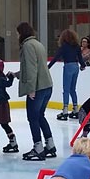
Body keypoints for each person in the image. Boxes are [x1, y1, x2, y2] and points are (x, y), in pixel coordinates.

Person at [10, 22, 56, 162]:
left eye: (17, 33)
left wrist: (31, 89)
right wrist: (17, 74)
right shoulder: (37, 44)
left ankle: (38, 148)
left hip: (38, 87)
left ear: (22, 33)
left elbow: (31, 69)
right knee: (40, 115)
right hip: (47, 85)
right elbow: (34, 67)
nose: (16, 36)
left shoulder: (27, 46)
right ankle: (50, 145)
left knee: (33, 117)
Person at [48, 29, 86, 121]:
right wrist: (83, 65)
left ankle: (65, 110)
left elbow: (56, 57)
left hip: (68, 66)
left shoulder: (64, 47)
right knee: (73, 89)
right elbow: (80, 58)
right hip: (76, 67)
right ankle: (75, 109)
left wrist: (48, 67)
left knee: (66, 89)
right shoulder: (76, 46)